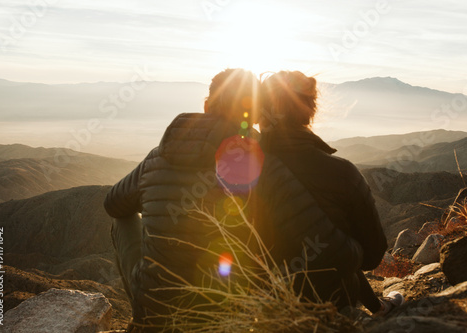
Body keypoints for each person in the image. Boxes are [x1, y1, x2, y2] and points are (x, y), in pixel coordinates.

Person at [103, 68, 264, 332]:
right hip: (225, 309)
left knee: (122, 221)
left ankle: (143, 318)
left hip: (156, 308)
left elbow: (113, 204)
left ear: (206, 105)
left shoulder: (159, 155)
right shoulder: (259, 162)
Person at [258, 70, 403, 315]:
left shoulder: (234, 172)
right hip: (333, 302)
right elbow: (370, 256)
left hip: (257, 303)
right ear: (310, 111)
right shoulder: (343, 173)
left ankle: (377, 306)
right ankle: (378, 308)